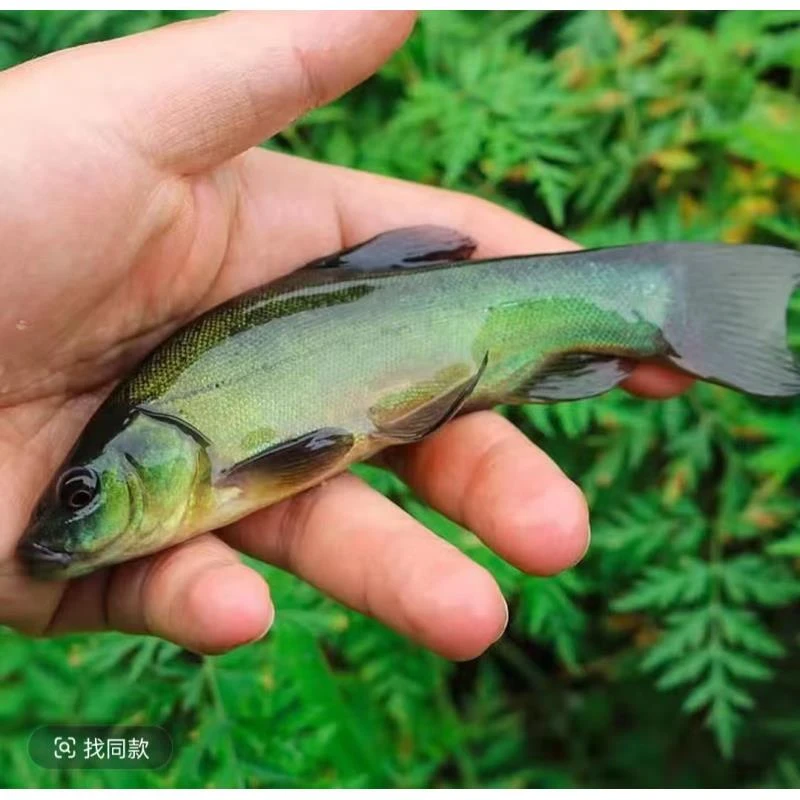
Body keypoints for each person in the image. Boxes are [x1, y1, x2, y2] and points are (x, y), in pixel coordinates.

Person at [0, 11, 690, 660]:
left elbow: (317, 449)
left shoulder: (205, 458)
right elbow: (321, 447)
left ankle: (674, 300)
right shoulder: (166, 432)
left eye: (82, 495)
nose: (66, 524)